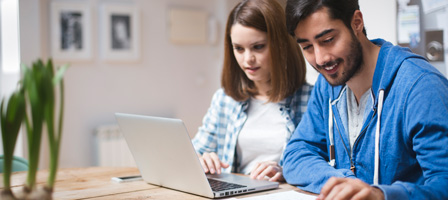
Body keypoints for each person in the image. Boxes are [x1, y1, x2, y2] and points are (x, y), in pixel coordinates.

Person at [282, 0, 448, 199]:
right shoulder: (327, 84)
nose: (320, 59)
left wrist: (380, 195)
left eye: (328, 40)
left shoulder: (421, 86)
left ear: (357, 22)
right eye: (307, 47)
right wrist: (342, 185)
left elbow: (443, 183)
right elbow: (296, 154)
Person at [192, 0, 313, 182]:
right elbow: (194, 152)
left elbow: (323, 163)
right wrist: (202, 160)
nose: (248, 59)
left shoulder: (312, 100)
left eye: (258, 47)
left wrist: (286, 172)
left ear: (282, 45)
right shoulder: (225, 100)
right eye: (239, 49)